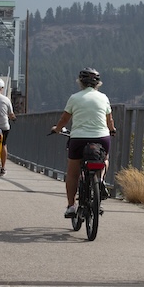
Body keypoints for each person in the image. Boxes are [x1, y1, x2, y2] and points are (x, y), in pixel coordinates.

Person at [50, 67, 117, 218]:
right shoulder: (104, 98)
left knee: (73, 173)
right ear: (98, 83)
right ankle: (99, 180)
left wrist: (57, 129)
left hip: (79, 138)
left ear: (80, 82)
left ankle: (71, 206)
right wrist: (112, 129)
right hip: (102, 137)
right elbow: (109, 120)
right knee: (105, 159)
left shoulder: (74, 97)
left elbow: (64, 119)